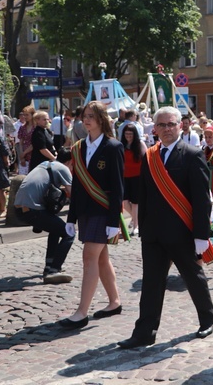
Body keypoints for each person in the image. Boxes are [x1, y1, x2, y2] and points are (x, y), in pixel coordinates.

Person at [117, 106, 213, 349]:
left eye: (171, 124)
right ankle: (145, 332)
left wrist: (202, 235)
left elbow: (202, 198)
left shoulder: (192, 154)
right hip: (153, 234)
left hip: (182, 231)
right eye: (162, 125)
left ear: (181, 125)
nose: (167, 129)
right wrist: (139, 225)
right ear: (155, 129)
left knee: (193, 278)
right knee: (151, 283)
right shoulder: (150, 155)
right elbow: (144, 194)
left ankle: (207, 319)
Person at [59, 101, 124, 330]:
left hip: (103, 210)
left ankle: (81, 312)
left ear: (101, 119)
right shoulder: (79, 147)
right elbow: (77, 184)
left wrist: (114, 221)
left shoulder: (113, 147)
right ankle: (114, 301)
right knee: (101, 258)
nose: (86, 120)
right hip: (86, 210)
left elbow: (118, 187)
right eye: (84, 116)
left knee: (89, 257)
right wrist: (71, 217)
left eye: (91, 116)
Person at [14, 149, 75, 284]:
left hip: (19, 209)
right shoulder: (63, 168)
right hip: (33, 210)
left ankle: (49, 266)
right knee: (69, 233)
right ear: (71, 161)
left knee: (55, 229)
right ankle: (54, 270)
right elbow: (74, 195)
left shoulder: (46, 164)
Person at [120, 123, 147, 237]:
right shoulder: (122, 145)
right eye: (126, 134)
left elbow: (146, 158)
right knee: (125, 202)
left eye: (130, 134)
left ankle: (136, 226)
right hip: (125, 176)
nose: (128, 136)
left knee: (136, 203)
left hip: (137, 176)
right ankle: (138, 219)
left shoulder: (140, 144)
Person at [17, 105, 36, 175]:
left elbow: (35, 143)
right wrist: (22, 156)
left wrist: (24, 153)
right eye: (24, 115)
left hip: (34, 153)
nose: (25, 117)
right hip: (24, 154)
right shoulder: (22, 127)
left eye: (27, 115)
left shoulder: (36, 128)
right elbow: (21, 142)